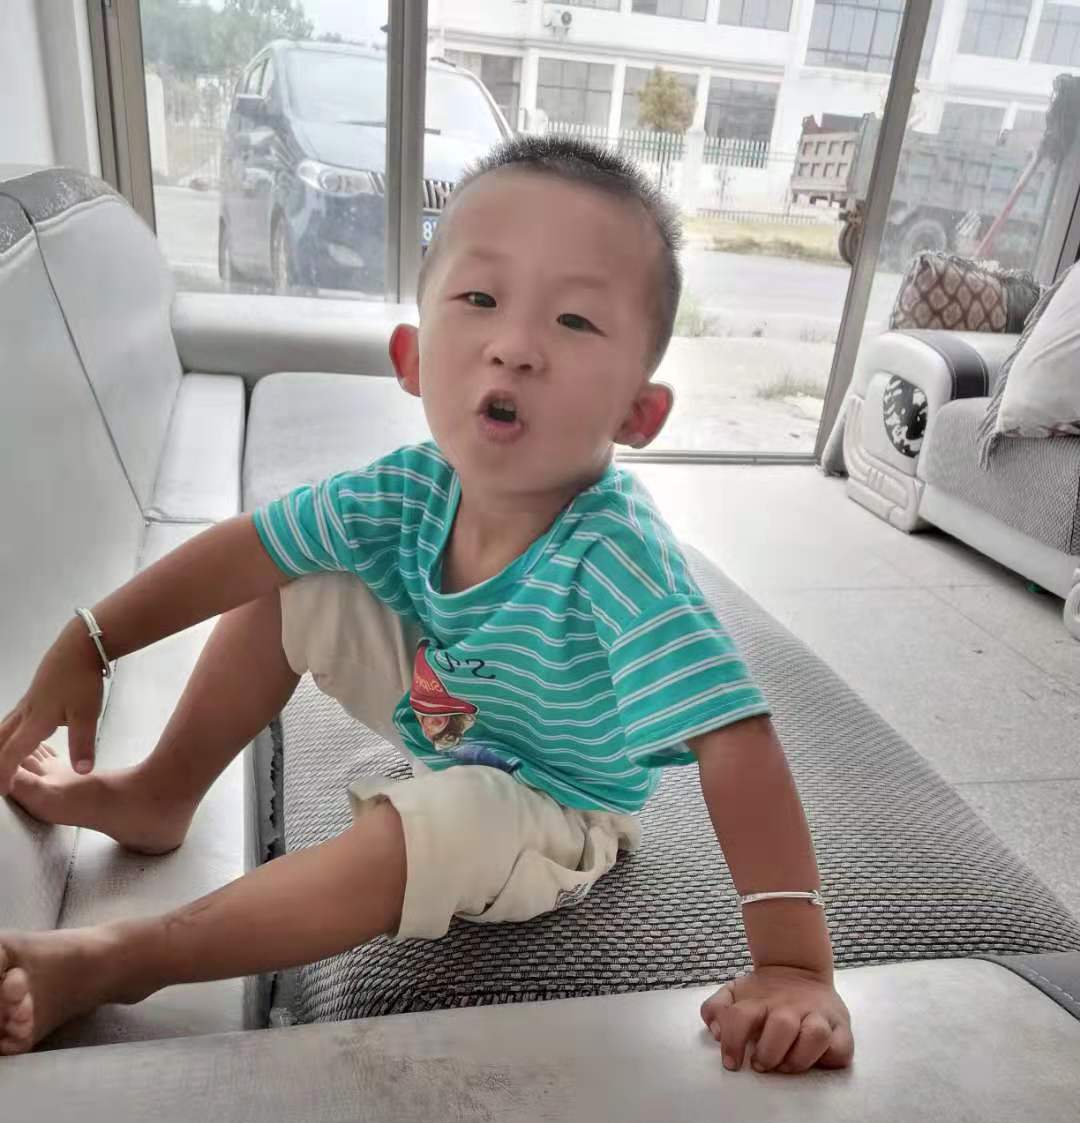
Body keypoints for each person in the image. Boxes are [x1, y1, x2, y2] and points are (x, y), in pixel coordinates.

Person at [0, 135, 853, 1072]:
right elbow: (248, 548)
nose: (515, 346)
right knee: (297, 573)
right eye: (480, 299)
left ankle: (130, 959)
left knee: (431, 822)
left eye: (574, 320)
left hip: (556, 802)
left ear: (637, 415)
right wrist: (93, 639)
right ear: (412, 358)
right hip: (453, 712)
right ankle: (162, 793)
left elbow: (738, 740)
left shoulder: (620, 557)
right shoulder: (409, 488)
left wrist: (794, 966)